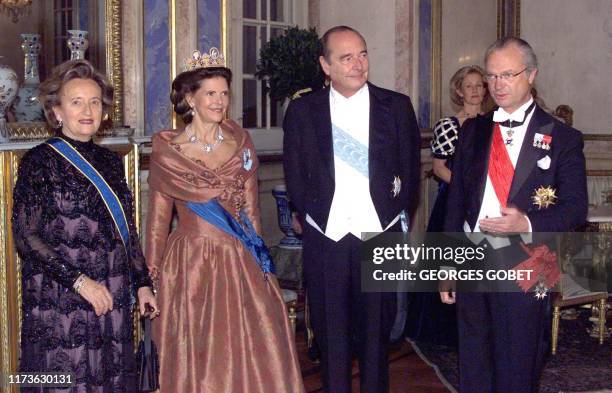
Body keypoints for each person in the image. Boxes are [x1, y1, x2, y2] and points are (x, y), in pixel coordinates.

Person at [145, 48, 304, 392]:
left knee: (250, 345)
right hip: (191, 263)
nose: (219, 101)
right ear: (190, 98)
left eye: (224, 93)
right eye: (210, 94)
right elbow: (158, 222)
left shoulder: (240, 142)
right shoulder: (169, 151)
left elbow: (251, 213)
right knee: (201, 353)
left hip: (238, 259)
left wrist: (262, 264)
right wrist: (151, 276)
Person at [440, 37, 587, 392]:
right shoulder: (473, 130)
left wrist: (527, 222)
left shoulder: (563, 137)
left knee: (519, 364)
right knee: (474, 362)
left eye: (508, 74)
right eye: (492, 76)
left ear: (531, 75)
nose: (498, 85)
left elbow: (575, 209)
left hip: (529, 261)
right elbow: (456, 201)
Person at [283, 26, 421, 392]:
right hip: (327, 239)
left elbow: (409, 173)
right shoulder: (302, 110)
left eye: (362, 54)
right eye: (346, 58)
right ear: (325, 65)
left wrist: (388, 217)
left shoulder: (396, 106)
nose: (358, 64)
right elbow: (294, 174)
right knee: (332, 340)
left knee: (378, 338)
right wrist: (316, 218)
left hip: (380, 234)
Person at [12, 59, 158, 392]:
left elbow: (127, 233)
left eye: (94, 102)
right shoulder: (39, 161)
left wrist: (143, 283)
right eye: (76, 102)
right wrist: (80, 283)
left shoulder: (110, 162)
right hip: (61, 296)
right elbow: (25, 236)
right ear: (57, 111)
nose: (88, 110)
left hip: (111, 292)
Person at [405, 66, 488, 346]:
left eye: (480, 85)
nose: (475, 90)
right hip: (453, 202)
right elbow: (439, 168)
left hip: (486, 205)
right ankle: (442, 331)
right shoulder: (448, 125)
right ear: (459, 91)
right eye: (469, 85)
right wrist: (467, 189)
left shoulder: (495, 123)